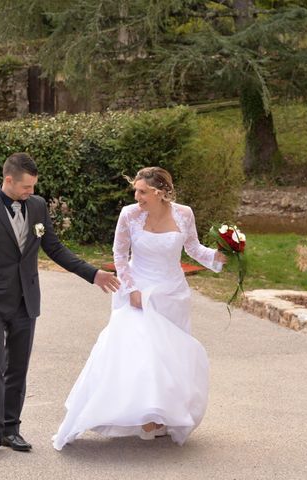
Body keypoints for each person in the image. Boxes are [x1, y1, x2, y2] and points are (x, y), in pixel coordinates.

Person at [53, 166, 227, 450]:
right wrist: (131, 289)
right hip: (137, 292)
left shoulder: (184, 214)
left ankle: (160, 418)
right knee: (142, 354)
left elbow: (193, 249)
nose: (137, 196)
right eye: (135, 190)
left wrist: (219, 258)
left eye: (143, 191)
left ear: (160, 192)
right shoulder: (129, 214)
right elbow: (120, 255)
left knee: (169, 358)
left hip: (172, 294)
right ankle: (143, 416)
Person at [0, 152, 120, 456]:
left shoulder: (38, 206)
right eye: (26, 187)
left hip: (25, 302)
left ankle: (11, 429)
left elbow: (54, 248)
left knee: (18, 368)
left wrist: (93, 274)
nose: (30, 192)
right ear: (9, 180)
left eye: (33, 187)